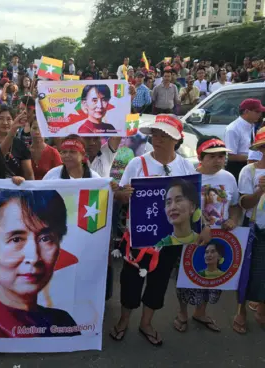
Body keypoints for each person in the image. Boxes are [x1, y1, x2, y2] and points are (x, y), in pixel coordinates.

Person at [110, 114, 211, 346]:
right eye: (155, 133)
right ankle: (124, 320)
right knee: (130, 281)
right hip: (140, 237)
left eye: (165, 135)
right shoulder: (137, 163)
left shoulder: (185, 166)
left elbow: (195, 204)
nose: (158, 139)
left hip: (170, 240)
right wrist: (122, 195)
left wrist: (204, 226)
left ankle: (146, 323)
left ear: (177, 139)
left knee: (159, 282)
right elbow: (120, 194)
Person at [0, 189, 79, 337]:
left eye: (45, 239)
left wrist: (116, 186)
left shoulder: (62, 321)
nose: (34, 257)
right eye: (16, 239)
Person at [234, 127, 265, 334]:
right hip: (255, 229)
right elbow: (244, 204)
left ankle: (261, 309)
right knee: (245, 273)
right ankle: (241, 311)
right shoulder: (249, 171)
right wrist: (260, 190)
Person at [225, 99, 265, 180]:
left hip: (252, 164)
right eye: (257, 112)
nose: (260, 114)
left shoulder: (251, 125)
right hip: (238, 167)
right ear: (246, 111)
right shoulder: (232, 129)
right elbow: (231, 156)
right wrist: (253, 157)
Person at [0, 105, 34, 180]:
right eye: (1, 119)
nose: (5, 122)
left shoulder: (20, 145)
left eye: (9, 119)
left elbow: (29, 175)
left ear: (14, 121)